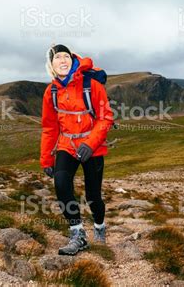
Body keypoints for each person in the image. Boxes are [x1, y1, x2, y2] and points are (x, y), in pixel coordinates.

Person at [40, 44, 113, 255]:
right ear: (51, 65)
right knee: (61, 185)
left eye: (66, 57)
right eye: (57, 58)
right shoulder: (51, 92)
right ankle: (78, 234)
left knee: (93, 197)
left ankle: (99, 225)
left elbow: (105, 118)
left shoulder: (92, 85)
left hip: (93, 147)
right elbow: (50, 127)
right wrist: (46, 159)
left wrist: (90, 144)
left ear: (72, 61)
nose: (62, 61)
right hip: (67, 146)